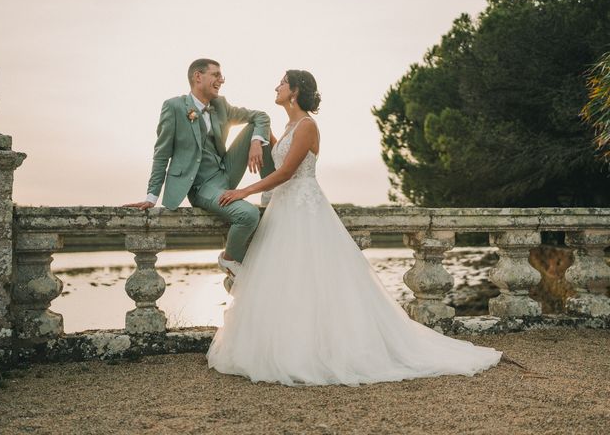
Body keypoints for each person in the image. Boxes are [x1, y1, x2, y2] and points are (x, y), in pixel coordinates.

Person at [206, 69, 502, 386]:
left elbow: (287, 172)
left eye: (281, 83)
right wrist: (256, 136)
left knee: (314, 278)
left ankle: (321, 351)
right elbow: (275, 152)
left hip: (304, 208)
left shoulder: (307, 126)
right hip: (284, 209)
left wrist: (244, 191)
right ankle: (292, 343)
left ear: (294, 91)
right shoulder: (290, 125)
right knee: (288, 279)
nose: (275, 86)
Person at [124, 58, 274, 292]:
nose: (221, 80)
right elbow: (161, 154)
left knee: (259, 129)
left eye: (221, 75)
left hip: (226, 170)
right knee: (248, 214)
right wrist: (151, 197)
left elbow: (261, 116)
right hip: (202, 186)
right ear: (198, 77)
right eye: (215, 75)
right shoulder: (174, 107)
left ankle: (271, 192)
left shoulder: (221, 106)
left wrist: (256, 142)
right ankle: (230, 259)